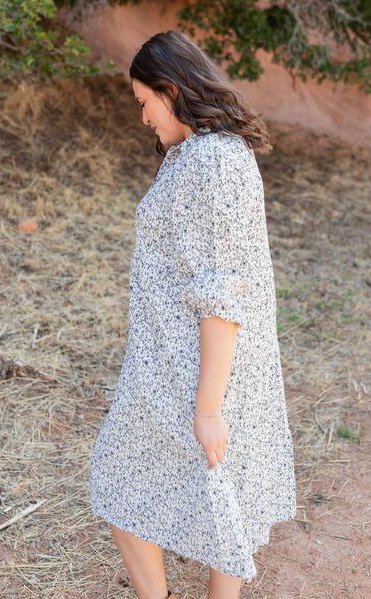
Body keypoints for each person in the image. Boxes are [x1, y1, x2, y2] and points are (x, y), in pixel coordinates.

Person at [90, 30, 296, 599]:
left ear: (170, 89)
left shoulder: (213, 162)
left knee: (139, 476)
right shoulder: (199, 153)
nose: (143, 117)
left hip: (196, 364)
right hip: (174, 356)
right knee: (210, 482)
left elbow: (224, 290)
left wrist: (207, 407)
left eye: (143, 102)